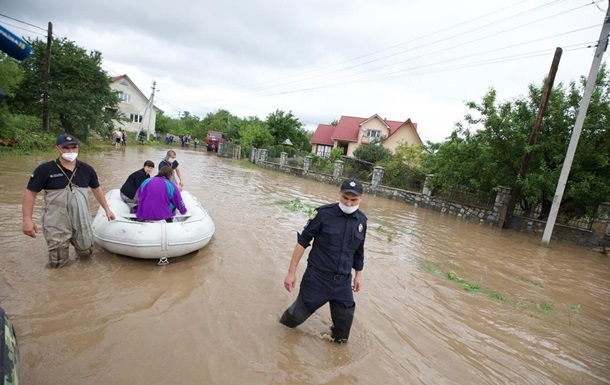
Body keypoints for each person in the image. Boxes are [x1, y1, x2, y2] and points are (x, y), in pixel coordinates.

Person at [279, 178, 367, 344]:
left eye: (353, 200)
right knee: (293, 320)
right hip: (317, 280)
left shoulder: (362, 221)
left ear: (361, 199)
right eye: (345, 198)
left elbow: (359, 250)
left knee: (342, 336)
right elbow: (302, 243)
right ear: (339, 195)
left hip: (343, 283)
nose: (348, 203)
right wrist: (291, 273)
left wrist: (358, 275)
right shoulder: (323, 214)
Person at [22, 133, 116, 268]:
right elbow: (30, 193)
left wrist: (107, 209)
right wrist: (27, 220)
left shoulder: (86, 169)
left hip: (81, 217)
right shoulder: (45, 170)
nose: (71, 151)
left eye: (74, 147)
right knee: (58, 261)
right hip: (56, 220)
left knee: (86, 252)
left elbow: (97, 189)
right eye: (66, 148)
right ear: (57, 148)